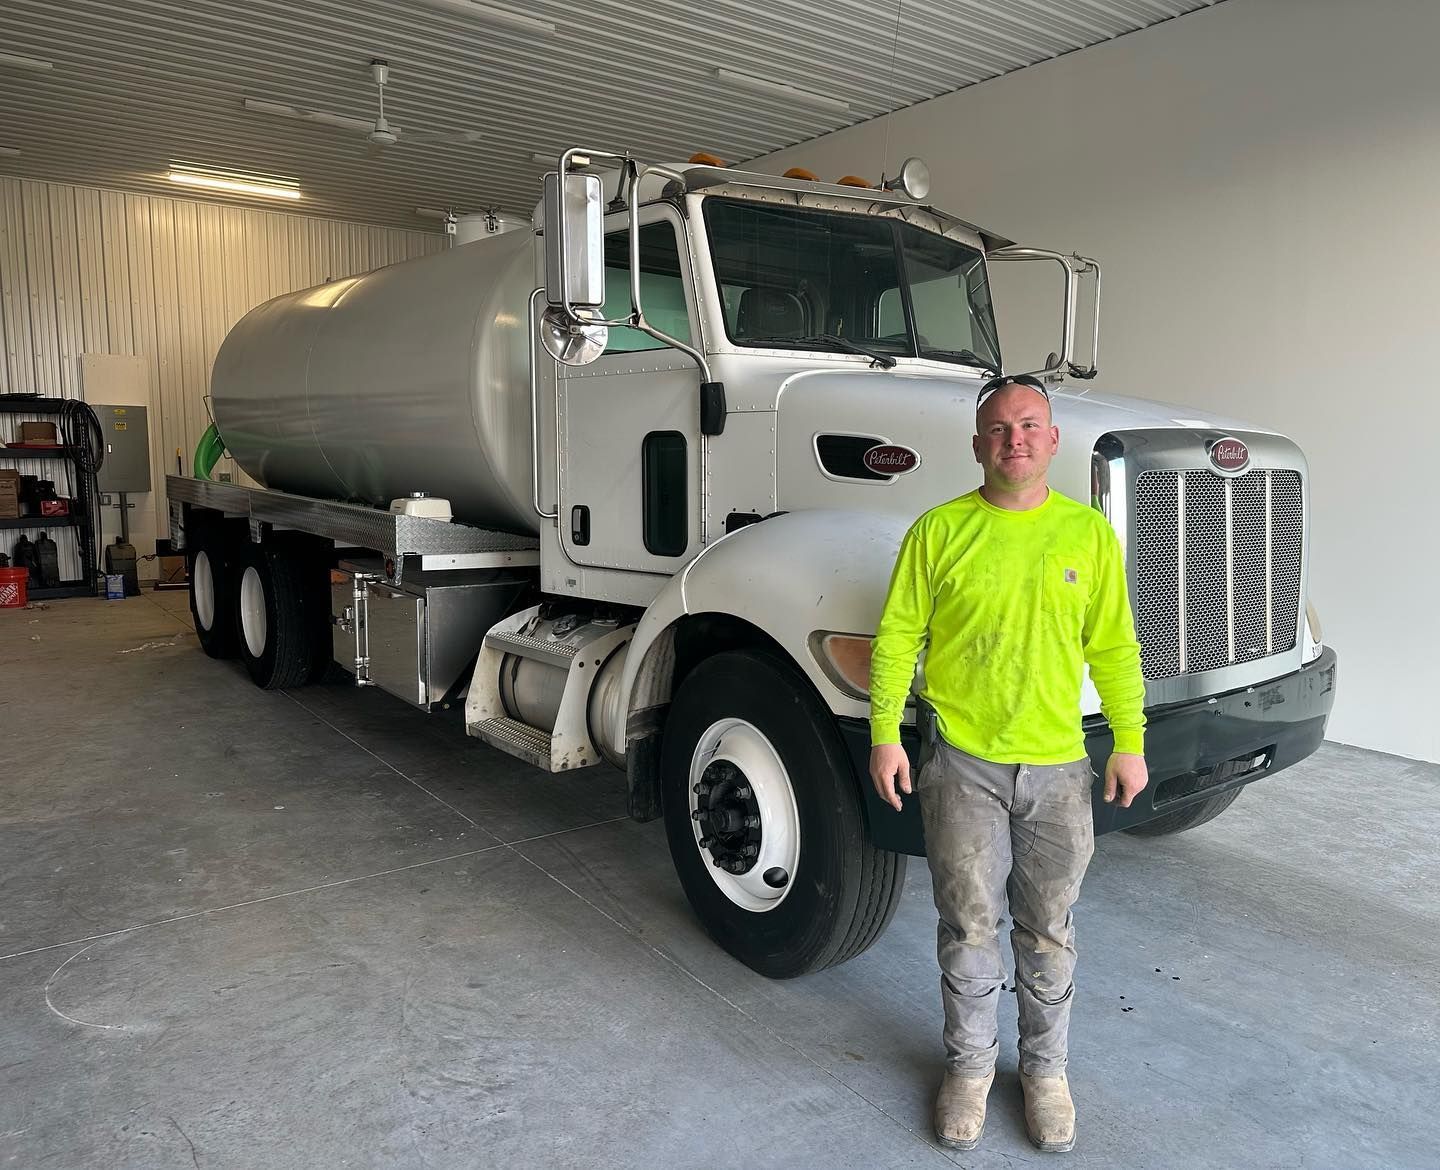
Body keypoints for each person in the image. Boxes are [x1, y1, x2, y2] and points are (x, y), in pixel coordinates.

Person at [868, 373, 1148, 1154]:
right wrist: (884, 734)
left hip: (1060, 769)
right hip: (961, 766)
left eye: (1028, 426)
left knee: (1049, 927)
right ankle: (969, 1071)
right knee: (968, 925)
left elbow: (1115, 646)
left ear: (1053, 441)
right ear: (977, 445)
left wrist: (1130, 740)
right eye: (998, 428)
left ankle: (1046, 1074)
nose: (1013, 439)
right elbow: (897, 640)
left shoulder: (1087, 535)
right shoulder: (939, 531)